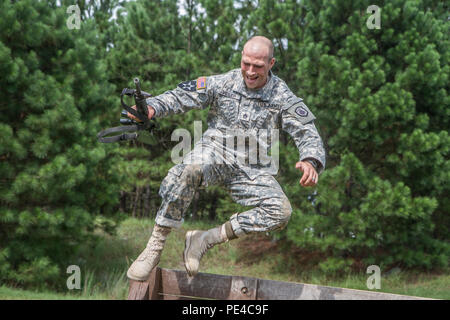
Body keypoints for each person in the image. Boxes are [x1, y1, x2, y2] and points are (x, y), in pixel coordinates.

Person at [126, 36, 326, 280]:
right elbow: (182, 96)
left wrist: (311, 160)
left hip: (252, 166)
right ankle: (155, 246)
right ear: (241, 57)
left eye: (258, 66)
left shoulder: (282, 95)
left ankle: (206, 239)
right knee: (190, 168)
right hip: (216, 152)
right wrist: (152, 107)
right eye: (246, 64)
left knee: (280, 211)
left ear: (271, 63)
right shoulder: (223, 83)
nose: (250, 72)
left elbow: (306, 130)